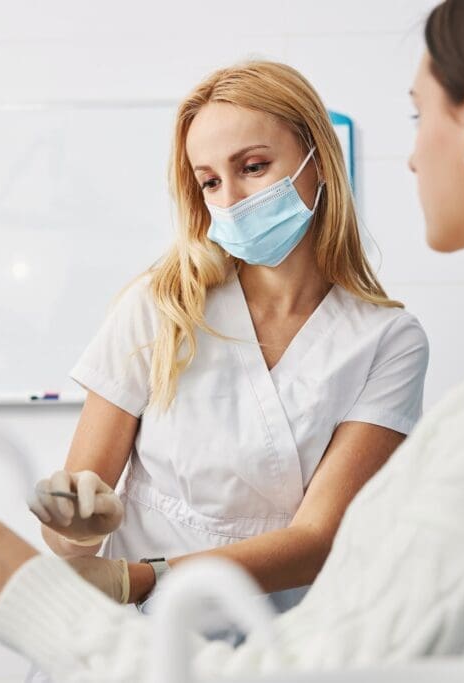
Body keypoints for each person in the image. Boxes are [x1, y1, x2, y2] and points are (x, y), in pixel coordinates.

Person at [0, 0, 464, 679]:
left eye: (414, 115)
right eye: (208, 180)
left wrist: (45, 597)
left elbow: (318, 604)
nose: (409, 153)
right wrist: (74, 552)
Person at [24, 59, 429, 621]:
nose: (232, 200)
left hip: (280, 636)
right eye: (210, 180)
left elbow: (318, 539)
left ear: (319, 162)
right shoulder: (160, 305)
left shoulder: (388, 340)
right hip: (135, 640)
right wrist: (72, 531)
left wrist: (142, 578)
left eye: (254, 167)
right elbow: (71, 534)